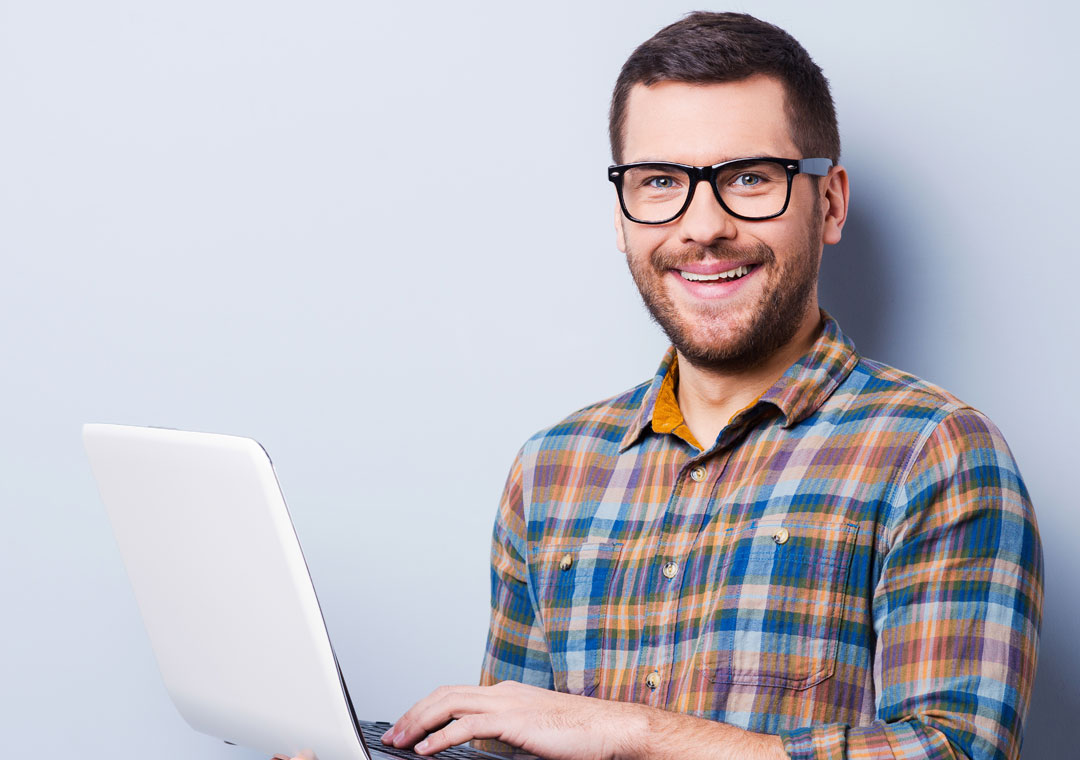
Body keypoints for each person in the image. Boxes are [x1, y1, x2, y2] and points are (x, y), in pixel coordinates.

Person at [288, 11, 1044, 760]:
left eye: (750, 178)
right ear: (622, 215)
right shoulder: (553, 470)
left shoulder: (935, 454)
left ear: (831, 201)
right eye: (660, 183)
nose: (701, 225)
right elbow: (510, 754)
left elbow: (955, 752)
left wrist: (634, 734)